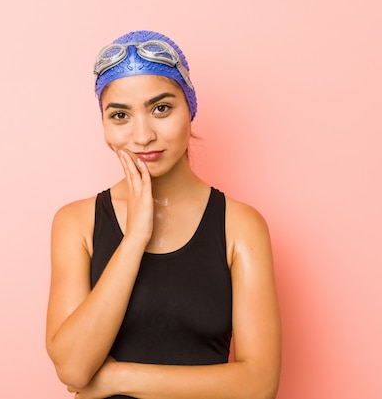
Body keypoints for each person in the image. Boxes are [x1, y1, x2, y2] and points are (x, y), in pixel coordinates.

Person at [45, 30, 281, 399]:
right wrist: (136, 236)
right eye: (120, 115)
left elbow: (260, 384)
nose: (142, 135)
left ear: (190, 109)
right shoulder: (77, 223)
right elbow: (73, 366)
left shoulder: (240, 226)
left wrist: (118, 379)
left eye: (161, 108)